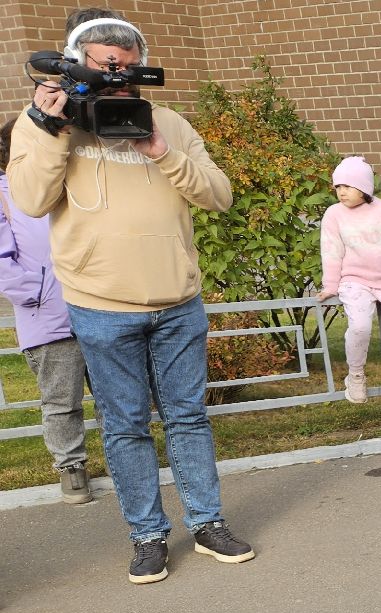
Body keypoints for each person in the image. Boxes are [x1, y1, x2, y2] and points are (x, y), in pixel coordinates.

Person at [9, 9, 252, 584]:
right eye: (103, 63)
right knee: (124, 428)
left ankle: (208, 522)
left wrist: (161, 149)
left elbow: (220, 195)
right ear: (77, 63)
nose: (117, 73)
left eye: (127, 64)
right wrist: (54, 130)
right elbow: (30, 200)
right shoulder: (45, 123)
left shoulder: (166, 120)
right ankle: (147, 535)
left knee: (188, 418)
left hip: (177, 301)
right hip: (100, 304)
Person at [0, 117, 90, 504]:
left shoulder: (66, 181)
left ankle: (128, 465)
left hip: (100, 304)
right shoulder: (4, 193)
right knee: (61, 399)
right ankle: (72, 469)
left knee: (117, 395)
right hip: (49, 317)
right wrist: (39, 292)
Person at [317, 156, 381, 405]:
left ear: (364, 187)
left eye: (347, 186)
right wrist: (330, 285)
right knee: (360, 327)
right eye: (338, 187)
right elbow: (331, 252)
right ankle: (355, 377)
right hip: (355, 281)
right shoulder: (334, 215)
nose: (341, 192)